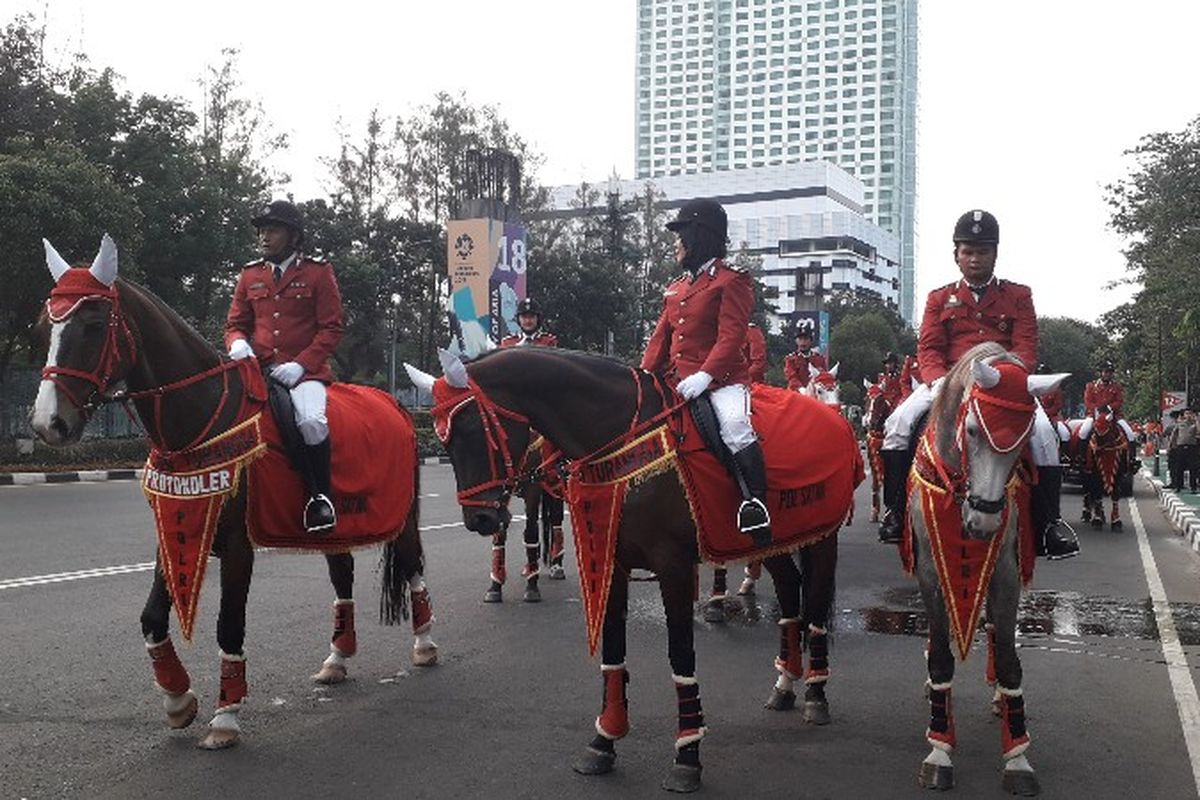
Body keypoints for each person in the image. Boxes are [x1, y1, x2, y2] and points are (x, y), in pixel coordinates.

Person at [876, 209, 1077, 558]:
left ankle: (1050, 525)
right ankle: (895, 512)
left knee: (1045, 435)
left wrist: (1009, 377)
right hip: (950, 380)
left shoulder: (1018, 295)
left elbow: (1026, 346)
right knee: (898, 424)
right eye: (967, 251)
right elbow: (929, 347)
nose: (974, 258)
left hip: (1002, 381)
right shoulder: (939, 298)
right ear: (956, 254)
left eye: (982, 251)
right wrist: (939, 381)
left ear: (995, 254)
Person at [641, 197, 771, 546]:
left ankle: (755, 502)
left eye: (681, 234)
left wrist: (706, 376)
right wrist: (641, 378)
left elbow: (731, 338)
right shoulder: (677, 288)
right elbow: (659, 341)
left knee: (735, 427)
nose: (676, 242)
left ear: (700, 236)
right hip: (677, 383)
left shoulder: (732, 281)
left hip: (722, 383)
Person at [225, 200, 344, 535]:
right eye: (261, 230)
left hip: (303, 374)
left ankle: (320, 497)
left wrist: (301, 365)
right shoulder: (250, 274)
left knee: (311, 422)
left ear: (293, 236)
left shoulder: (318, 272)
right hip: (257, 370)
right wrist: (237, 343)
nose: (264, 236)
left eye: (272, 229)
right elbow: (235, 323)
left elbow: (332, 328)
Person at [1080, 361, 1136, 443]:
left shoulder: (1116, 386)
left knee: (1130, 433)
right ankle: (1081, 455)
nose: (1108, 374)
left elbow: (1119, 401)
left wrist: (1109, 407)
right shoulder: (1091, 386)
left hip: (1114, 416)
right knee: (1083, 432)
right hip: (1094, 415)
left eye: (1110, 372)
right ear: (1100, 373)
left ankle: (1131, 456)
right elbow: (1088, 401)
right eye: (1106, 372)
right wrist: (1097, 409)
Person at [784, 322, 827, 391]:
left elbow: (824, 377)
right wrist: (801, 389)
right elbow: (791, 377)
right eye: (800, 339)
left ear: (811, 341)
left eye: (806, 339)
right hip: (797, 393)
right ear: (796, 341)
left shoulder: (819, 359)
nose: (803, 342)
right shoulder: (791, 359)